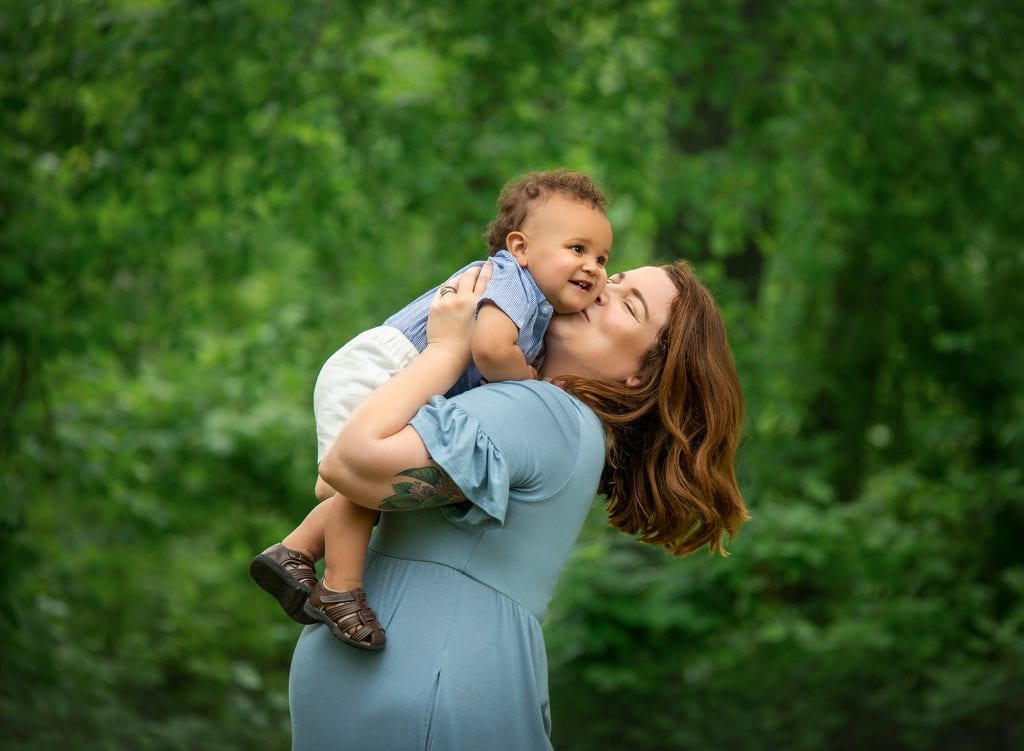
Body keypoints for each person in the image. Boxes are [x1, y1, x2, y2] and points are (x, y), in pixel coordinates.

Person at [286, 259, 748, 749]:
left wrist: (444, 349)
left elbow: (350, 466)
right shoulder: (541, 414)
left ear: (644, 374)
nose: (599, 290)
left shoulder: (545, 412)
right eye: (614, 280)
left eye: (630, 305)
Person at [250, 169, 613, 649]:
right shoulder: (513, 283)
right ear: (521, 248)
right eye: (577, 249)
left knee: (364, 484)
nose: (593, 267)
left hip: (398, 378)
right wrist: (527, 381)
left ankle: (296, 550)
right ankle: (340, 587)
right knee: (357, 486)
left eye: (602, 257)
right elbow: (488, 348)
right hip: (383, 367)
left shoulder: (537, 307)